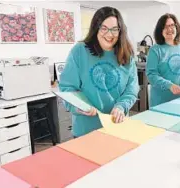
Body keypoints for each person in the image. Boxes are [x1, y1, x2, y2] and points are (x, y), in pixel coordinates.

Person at [59, 6, 139, 137]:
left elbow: (132, 89)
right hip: (86, 131)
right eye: (104, 28)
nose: (109, 34)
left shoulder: (126, 54)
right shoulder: (79, 51)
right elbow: (67, 88)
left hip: (117, 128)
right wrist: (77, 106)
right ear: (96, 28)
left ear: (120, 31)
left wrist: (121, 106)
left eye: (114, 29)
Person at [146, 13, 180, 107]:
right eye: (165, 27)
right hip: (161, 101)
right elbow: (151, 75)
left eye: (172, 25)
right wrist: (169, 85)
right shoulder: (155, 50)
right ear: (160, 31)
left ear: (177, 27)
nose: (169, 29)